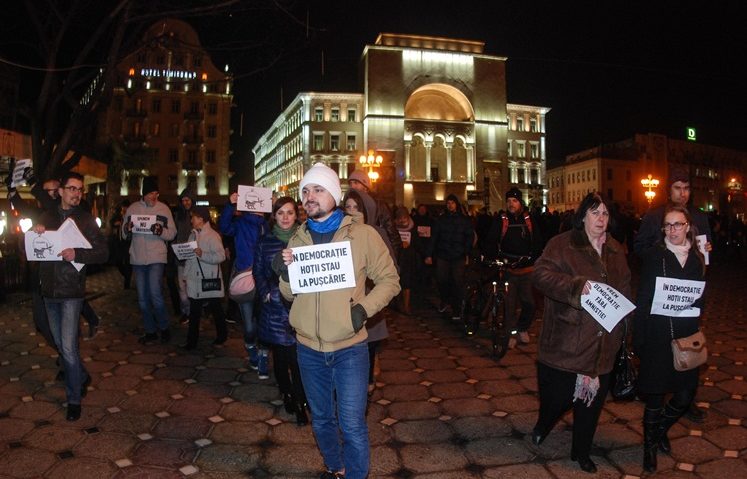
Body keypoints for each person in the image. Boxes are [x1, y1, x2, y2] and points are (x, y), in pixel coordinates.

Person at [274, 163, 400, 479]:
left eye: (317, 189)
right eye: (305, 190)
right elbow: (291, 295)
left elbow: (390, 280)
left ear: (334, 193)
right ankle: (334, 466)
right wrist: (284, 273)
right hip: (307, 348)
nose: (309, 196)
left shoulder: (362, 234)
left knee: (353, 423)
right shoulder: (297, 239)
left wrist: (363, 310)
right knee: (321, 419)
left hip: (349, 348)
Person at [530, 193, 632, 473]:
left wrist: (625, 327)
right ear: (583, 216)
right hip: (567, 341)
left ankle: (581, 451)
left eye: (605, 214)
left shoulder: (615, 249)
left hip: (603, 344)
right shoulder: (562, 244)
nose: (601, 219)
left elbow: (624, 289)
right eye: (595, 212)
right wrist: (575, 287)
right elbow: (540, 274)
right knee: (559, 398)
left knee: (592, 403)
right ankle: (544, 422)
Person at [633, 165, 712, 423]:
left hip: (687, 295)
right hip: (661, 292)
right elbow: (640, 247)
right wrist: (661, 261)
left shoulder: (700, 217)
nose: (683, 193)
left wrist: (707, 251)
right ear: (669, 190)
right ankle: (659, 401)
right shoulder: (656, 216)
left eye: (687, 188)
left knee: (687, 345)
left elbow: (704, 256)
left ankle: (685, 398)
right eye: (678, 188)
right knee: (661, 355)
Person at [634, 205, 706, 472]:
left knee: (685, 396)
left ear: (688, 225)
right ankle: (649, 449)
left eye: (678, 224)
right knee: (654, 398)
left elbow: (700, 295)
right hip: (657, 335)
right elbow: (643, 297)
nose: (673, 230)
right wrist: (638, 335)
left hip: (686, 335)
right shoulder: (655, 256)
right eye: (668, 225)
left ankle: (659, 429)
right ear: (663, 228)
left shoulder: (697, 258)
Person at [34, 172, 108, 421]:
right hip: (49, 291)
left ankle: (74, 398)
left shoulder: (87, 220)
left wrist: (76, 253)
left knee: (68, 347)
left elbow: (102, 252)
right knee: (61, 345)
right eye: (73, 189)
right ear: (61, 191)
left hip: (71, 292)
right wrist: (37, 233)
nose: (77, 193)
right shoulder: (47, 216)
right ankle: (81, 377)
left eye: (80, 190)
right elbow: (33, 251)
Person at [254, 197, 308, 425]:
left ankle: (301, 400)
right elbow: (258, 273)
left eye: (290, 213)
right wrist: (267, 292)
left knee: (299, 358)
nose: (285, 217)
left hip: (300, 306)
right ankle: (287, 393)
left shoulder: (305, 239)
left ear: (297, 215)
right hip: (275, 308)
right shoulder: (265, 242)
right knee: (281, 358)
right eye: (280, 213)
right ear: (274, 216)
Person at [343, 189, 396, 396]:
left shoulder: (375, 233)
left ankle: (367, 381)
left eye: (356, 208)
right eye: (348, 207)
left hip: (369, 298)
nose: (352, 212)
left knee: (370, 341)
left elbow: (389, 270)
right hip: (346, 298)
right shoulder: (340, 233)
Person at [219, 187, 268, 377]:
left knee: (263, 322)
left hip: (263, 279)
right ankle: (250, 347)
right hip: (245, 277)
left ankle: (263, 356)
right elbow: (224, 227)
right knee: (248, 325)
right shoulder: (240, 224)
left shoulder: (266, 225)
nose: (259, 208)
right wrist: (230, 205)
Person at [122, 176, 177, 344]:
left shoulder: (164, 209)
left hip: (156, 257)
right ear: (144, 194)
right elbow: (124, 234)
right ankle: (150, 331)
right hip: (138, 259)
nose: (154, 197)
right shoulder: (133, 208)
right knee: (143, 298)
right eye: (151, 193)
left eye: (156, 193)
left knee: (155, 293)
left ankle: (164, 327)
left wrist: (161, 231)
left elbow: (172, 233)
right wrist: (127, 228)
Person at [492, 188, 544, 347]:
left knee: (530, 304)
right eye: (508, 201)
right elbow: (491, 239)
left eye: (514, 201)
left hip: (527, 270)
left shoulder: (529, 219)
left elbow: (538, 241)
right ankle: (510, 334)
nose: (511, 204)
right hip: (509, 270)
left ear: (520, 202)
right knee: (510, 305)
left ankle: (522, 327)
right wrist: (495, 257)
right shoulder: (502, 219)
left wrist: (534, 258)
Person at [180, 206, 227, 349]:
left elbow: (221, 256)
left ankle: (222, 335)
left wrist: (203, 254)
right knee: (195, 312)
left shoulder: (212, 235)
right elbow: (189, 257)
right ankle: (191, 341)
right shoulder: (192, 235)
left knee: (216, 309)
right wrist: (186, 275)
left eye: (193, 217)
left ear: (201, 218)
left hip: (209, 279)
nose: (191, 219)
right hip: (195, 280)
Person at [425, 194, 474, 317]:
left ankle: (456, 308)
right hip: (443, 254)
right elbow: (434, 237)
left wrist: (467, 252)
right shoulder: (441, 220)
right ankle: (445, 299)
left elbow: (469, 237)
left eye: (452, 203)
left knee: (458, 282)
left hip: (458, 255)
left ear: (456, 204)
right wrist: (429, 254)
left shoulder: (463, 220)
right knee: (442, 279)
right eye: (448, 203)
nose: (450, 205)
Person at [347, 169, 402, 255]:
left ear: (365, 186)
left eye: (356, 183)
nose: (352, 186)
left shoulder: (379, 205)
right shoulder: (348, 205)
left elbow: (391, 231)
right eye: (350, 183)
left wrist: (392, 256)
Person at [171, 188, 196, 324]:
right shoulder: (178, 216)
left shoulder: (197, 214)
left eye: (188, 200)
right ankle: (186, 311)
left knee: (193, 285)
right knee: (182, 286)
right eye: (183, 200)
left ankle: (195, 310)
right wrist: (176, 246)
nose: (186, 203)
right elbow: (174, 233)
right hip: (181, 256)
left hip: (194, 256)